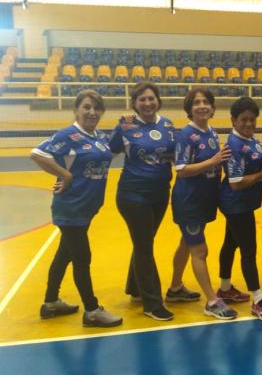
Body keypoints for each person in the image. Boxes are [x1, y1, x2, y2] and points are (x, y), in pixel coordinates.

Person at [33, 89, 122, 328]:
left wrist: (123, 126)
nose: (92, 112)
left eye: (97, 108)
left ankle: (50, 302)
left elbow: (110, 152)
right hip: (70, 207)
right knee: (82, 258)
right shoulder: (69, 135)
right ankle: (92, 311)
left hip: (86, 208)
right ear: (76, 110)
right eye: (86, 107)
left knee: (64, 255)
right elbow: (37, 154)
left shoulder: (98, 136)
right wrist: (65, 175)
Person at [109, 82, 179, 321]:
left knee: (143, 243)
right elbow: (105, 152)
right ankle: (152, 303)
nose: (148, 103)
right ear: (134, 104)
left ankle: (135, 288)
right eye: (142, 99)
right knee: (145, 247)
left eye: (151, 98)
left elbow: (175, 156)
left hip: (160, 194)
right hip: (133, 196)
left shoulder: (167, 125)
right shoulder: (126, 126)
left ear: (158, 100)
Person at [169, 87, 237, 320]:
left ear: (212, 107)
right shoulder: (186, 135)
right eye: (196, 102)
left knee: (186, 244)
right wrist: (213, 160)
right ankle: (212, 301)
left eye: (206, 102)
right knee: (199, 250)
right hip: (189, 201)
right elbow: (181, 170)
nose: (202, 106)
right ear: (189, 109)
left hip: (204, 200)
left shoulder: (212, 133)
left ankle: (175, 288)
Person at [217, 96, 262, 322]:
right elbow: (236, 182)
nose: (249, 124)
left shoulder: (251, 140)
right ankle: (258, 299)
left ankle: (224, 288)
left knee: (230, 243)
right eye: (244, 120)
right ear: (233, 120)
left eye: (252, 119)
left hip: (244, 203)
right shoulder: (234, 145)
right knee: (249, 250)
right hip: (236, 204)